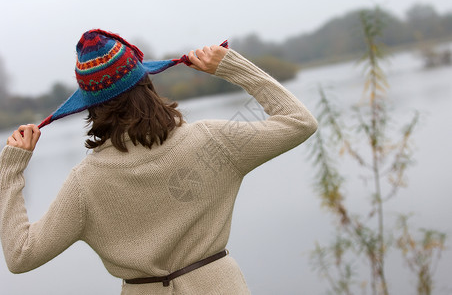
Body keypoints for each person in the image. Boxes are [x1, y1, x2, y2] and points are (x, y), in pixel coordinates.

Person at [0, 29, 317, 295]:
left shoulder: (85, 183)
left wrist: (11, 168)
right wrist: (231, 67)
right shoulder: (213, 141)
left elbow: (21, 256)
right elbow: (299, 121)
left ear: (91, 108)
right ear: (147, 85)